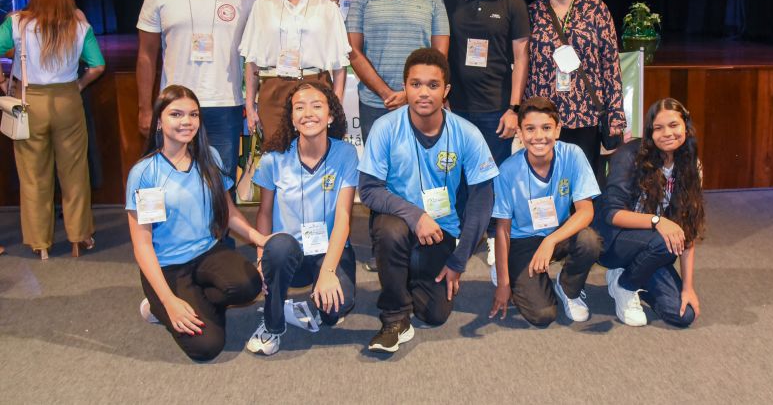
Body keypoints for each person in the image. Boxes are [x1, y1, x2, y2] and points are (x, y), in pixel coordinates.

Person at [358, 48, 498, 353]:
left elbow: (482, 200)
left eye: (433, 85)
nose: (423, 93)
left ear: (446, 90)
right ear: (405, 87)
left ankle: (403, 277)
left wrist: (458, 261)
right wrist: (415, 215)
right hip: (398, 223)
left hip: (441, 231)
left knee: (434, 314)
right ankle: (394, 318)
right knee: (390, 230)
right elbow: (368, 190)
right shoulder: (385, 128)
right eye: (416, 84)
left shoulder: (467, 133)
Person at [126, 85, 265, 361]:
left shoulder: (208, 157)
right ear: (159, 121)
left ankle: (195, 302)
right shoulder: (146, 173)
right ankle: (157, 306)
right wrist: (168, 301)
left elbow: (227, 211)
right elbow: (142, 245)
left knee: (250, 285)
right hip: (169, 266)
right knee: (207, 346)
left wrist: (259, 238)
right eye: (176, 114)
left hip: (208, 252)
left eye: (193, 114)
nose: (186, 121)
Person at [346, 0, 450, 271]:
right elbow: (353, 52)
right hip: (376, 104)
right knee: (381, 177)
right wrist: (385, 92)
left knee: (424, 171)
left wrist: (410, 92)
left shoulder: (432, 0)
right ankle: (384, 248)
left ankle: (427, 241)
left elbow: (439, 56)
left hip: (422, 103)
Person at [136, 0, 260, 181]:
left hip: (225, 105)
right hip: (174, 105)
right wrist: (145, 109)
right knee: (172, 181)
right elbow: (146, 55)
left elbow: (277, 19)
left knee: (221, 184)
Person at [440, 0, 530, 279]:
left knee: (492, 175)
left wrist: (514, 108)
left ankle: (493, 233)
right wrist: (442, 99)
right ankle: (462, 231)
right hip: (456, 107)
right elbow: (440, 51)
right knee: (457, 173)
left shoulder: (513, 1)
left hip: (497, 109)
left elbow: (521, 58)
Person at [0, 0, 105, 259]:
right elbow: (98, 65)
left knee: (33, 174)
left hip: (29, 101)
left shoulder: (17, 23)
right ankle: (79, 237)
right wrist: (79, 85)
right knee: (74, 171)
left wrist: (2, 80)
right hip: (67, 101)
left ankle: (40, 243)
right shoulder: (79, 26)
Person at [246, 82, 357, 356]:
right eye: (299, 107)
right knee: (279, 246)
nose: (308, 113)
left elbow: (343, 218)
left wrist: (328, 271)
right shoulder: (274, 158)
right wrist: (261, 259)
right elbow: (264, 213)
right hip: (287, 254)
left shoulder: (346, 154)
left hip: (327, 250)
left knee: (337, 308)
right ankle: (272, 323)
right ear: (292, 118)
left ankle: (314, 297)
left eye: (317, 106)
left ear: (330, 115)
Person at [489, 97, 601, 326]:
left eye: (547, 128)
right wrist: (503, 282)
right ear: (519, 133)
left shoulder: (573, 155)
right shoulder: (507, 171)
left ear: (558, 130)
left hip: (557, 233)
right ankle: (510, 268)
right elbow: (503, 230)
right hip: (522, 240)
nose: (539, 136)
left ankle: (568, 288)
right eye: (530, 129)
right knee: (542, 316)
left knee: (589, 241)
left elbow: (586, 211)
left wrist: (550, 241)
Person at [596, 98, 704, 327]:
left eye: (674, 125)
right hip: (615, 240)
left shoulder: (691, 166)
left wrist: (688, 288)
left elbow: (688, 229)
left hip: (653, 246)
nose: (668, 133)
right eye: (658, 128)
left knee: (683, 316)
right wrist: (658, 221)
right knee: (664, 242)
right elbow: (612, 214)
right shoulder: (629, 155)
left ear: (685, 126)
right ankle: (625, 286)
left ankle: (632, 274)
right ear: (649, 132)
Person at [525, 0, 625, 178]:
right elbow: (524, 65)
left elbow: (610, 65)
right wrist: (524, 111)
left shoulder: (596, 9)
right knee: (546, 178)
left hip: (586, 113)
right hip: (544, 115)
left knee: (583, 180)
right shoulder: (532, 12)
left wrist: (615, 113)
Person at [239, 0, 351, 139]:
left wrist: (337, 104)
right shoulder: (262, 6)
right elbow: (252, 61)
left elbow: (340, 65)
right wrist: (249, 106)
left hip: (316, 88)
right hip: (274, 89)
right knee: (276, 150)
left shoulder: (328, 8)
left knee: (314, 151)